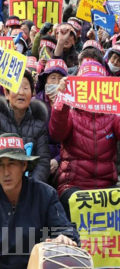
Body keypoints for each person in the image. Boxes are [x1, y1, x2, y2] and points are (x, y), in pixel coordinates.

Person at [0, 133, 80, 269]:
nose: (6, 172)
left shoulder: (45, 195)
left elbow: (65, 230)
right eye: (0, 165)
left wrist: (64, 238)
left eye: (12, 163)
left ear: (24, 165)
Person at [49, 60, 120, 218]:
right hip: (74, 186)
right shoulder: (71, 114)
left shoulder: (113, 116)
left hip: (107, 187)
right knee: (73, 205)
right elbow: (56, 133)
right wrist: (62, 99)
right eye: (86, 84)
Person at [0, 70, 50, 183]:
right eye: (16, 87)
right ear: (6, 94)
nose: (21, 92)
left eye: (26, 88)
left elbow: (43, 161)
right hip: (0, 180)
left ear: (32, 93)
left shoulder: (39, 123)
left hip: (30, 182)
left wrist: (31, 185)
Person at [34, 59, 68, 183]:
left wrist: (58, 160)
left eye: (61, 78)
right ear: (45, 81)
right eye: (52, 78)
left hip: (63, 160)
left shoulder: (71, 104)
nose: (57, 82)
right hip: (38, 159)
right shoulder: (34, 104)